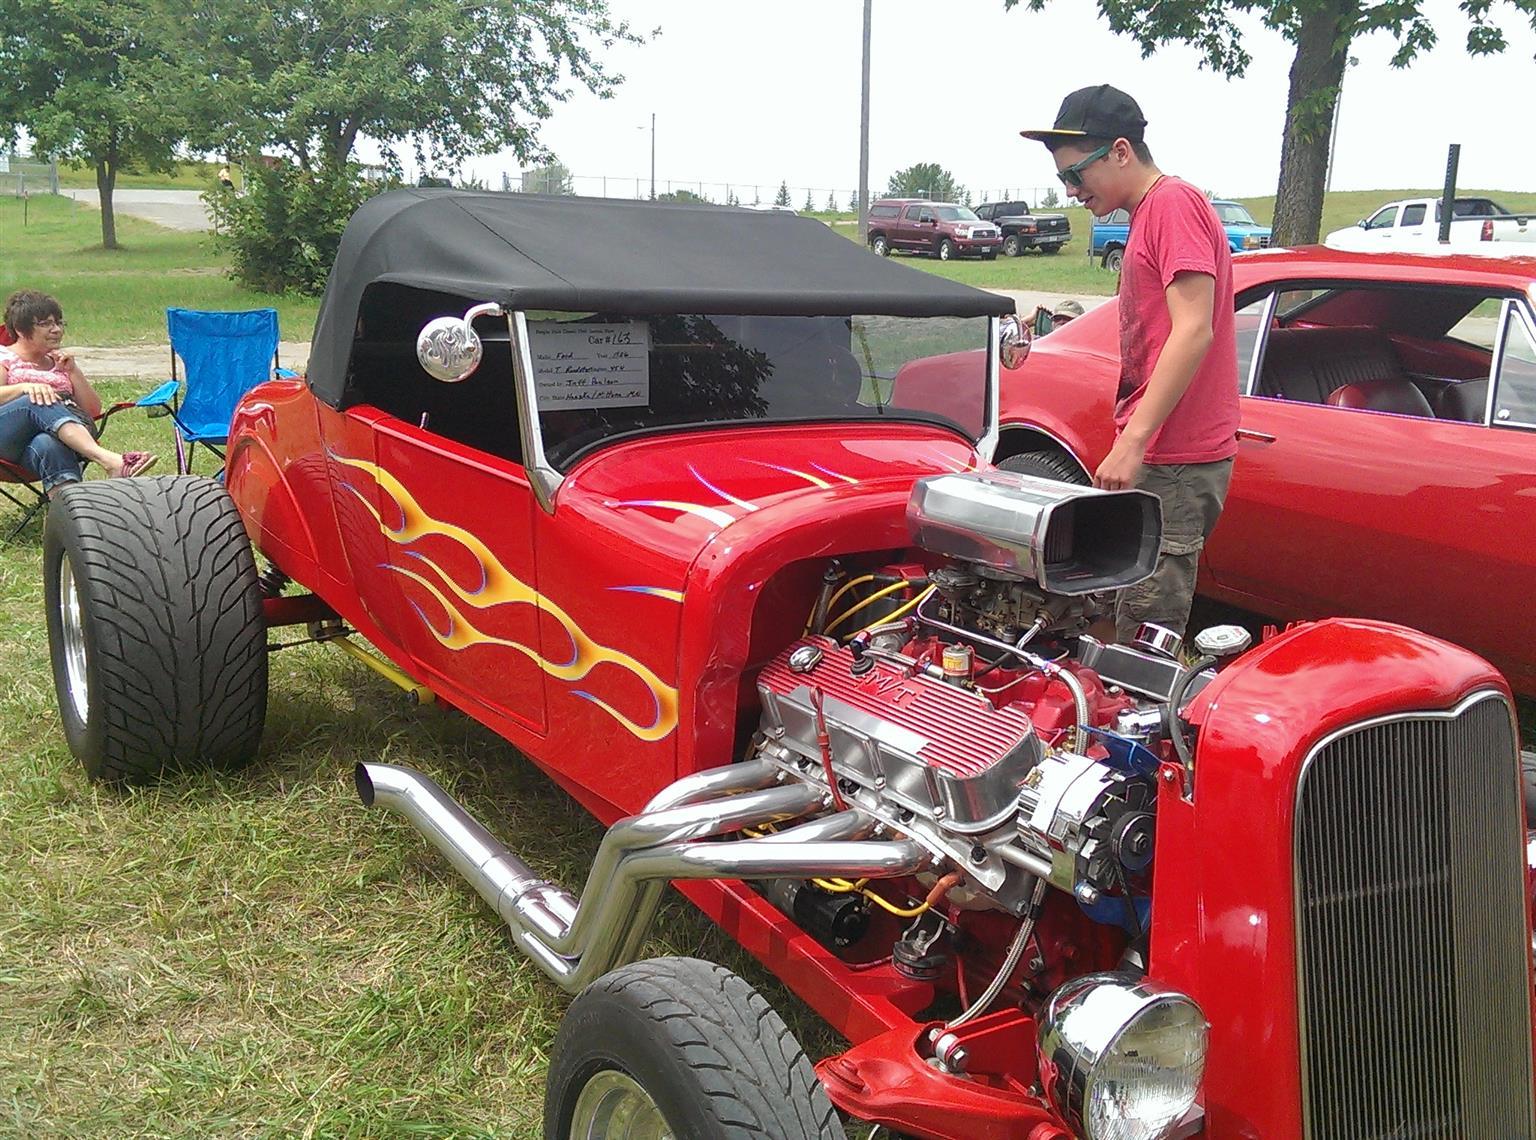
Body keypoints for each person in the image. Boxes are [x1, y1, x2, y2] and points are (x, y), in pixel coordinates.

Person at [1022, 85, 1239, 642]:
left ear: (1121, 151)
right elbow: (1152, 318)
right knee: (1123, 601)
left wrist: (1135, 440)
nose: (1071, 191)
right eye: (1062, 180)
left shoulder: (1171, 203)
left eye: (1077, 174)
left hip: (1177, 455)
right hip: (1161, 450)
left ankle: (1138, 721)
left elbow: (1193, 329)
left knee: (1148, 622)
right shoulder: (1147, 215)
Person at [0, 290, 157, 497]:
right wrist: (24, 388)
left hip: (43, 446)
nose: (56, 330)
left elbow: (92, 410)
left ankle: (71, 515)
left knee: (48, 444)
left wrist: (72, 371)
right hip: (8, 440)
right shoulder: (4, 357)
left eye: (58, 323)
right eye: (46, 324)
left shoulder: (60, 363)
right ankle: (109, 460)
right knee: (35, 398)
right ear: (20, 330)